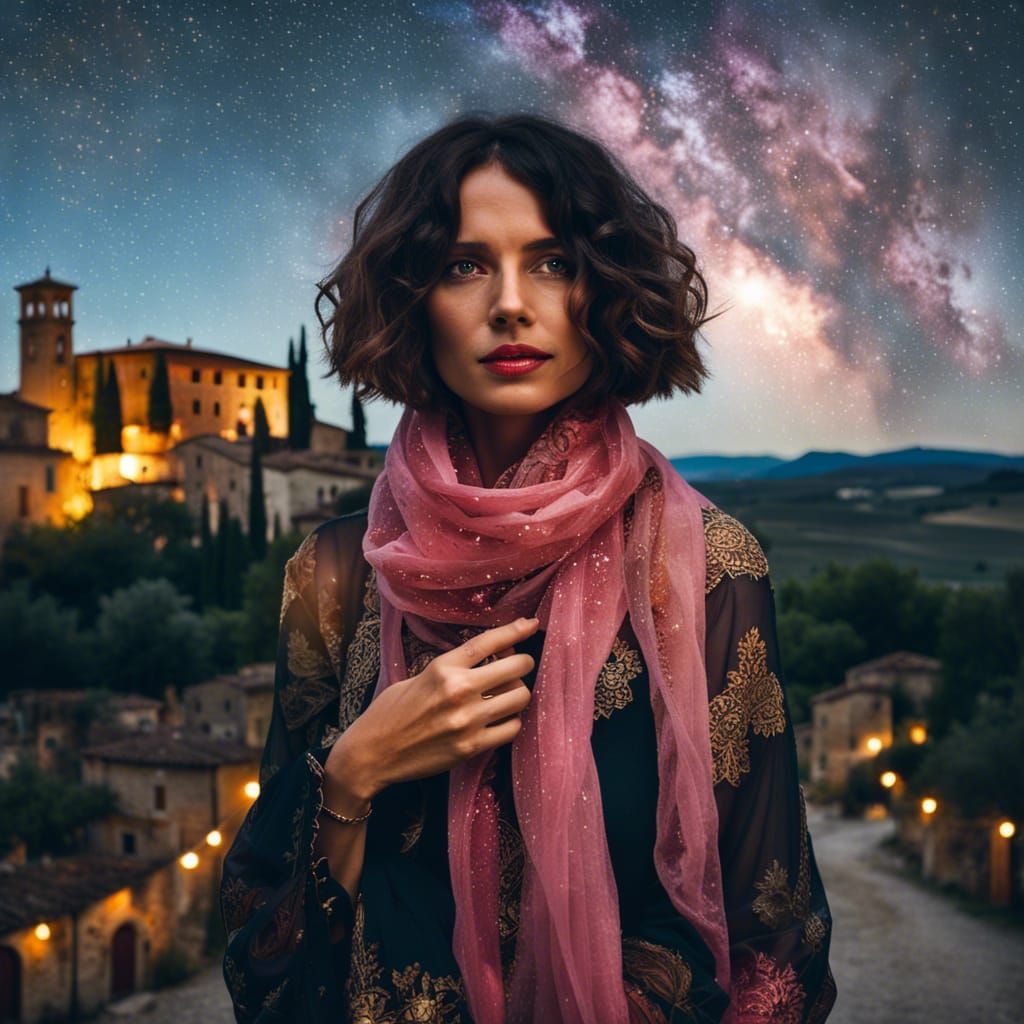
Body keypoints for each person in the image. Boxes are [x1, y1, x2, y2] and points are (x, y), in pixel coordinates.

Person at [219, 112, 837, 1024]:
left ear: (607, 289)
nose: (511, 302)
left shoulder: (709, 569)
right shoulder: (333, 576)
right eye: (465, 265)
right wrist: (352, 777)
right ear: (411, 297)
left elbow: (775, 943)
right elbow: (260, 944)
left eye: (553, 262)